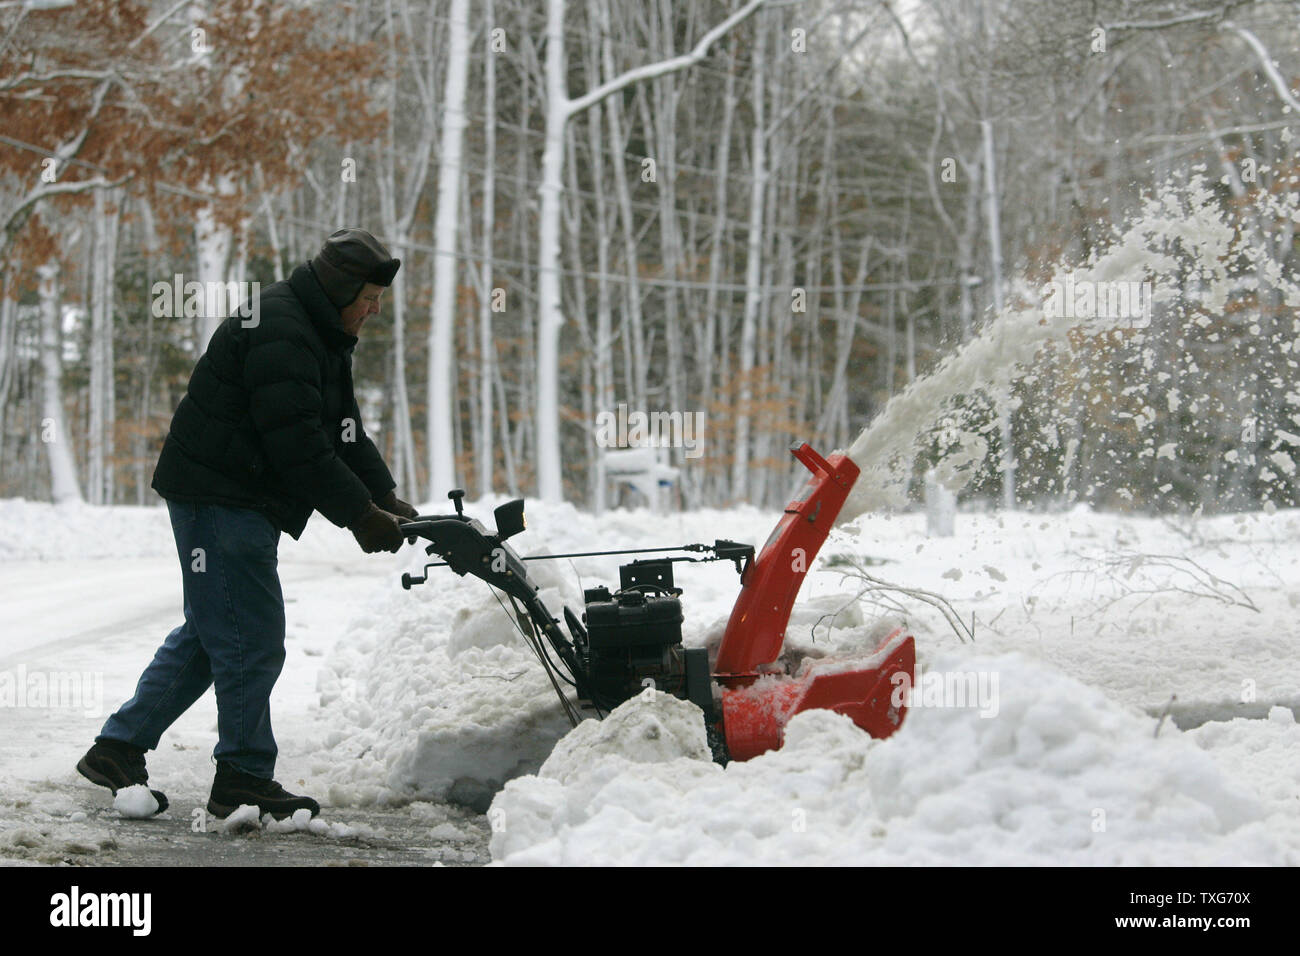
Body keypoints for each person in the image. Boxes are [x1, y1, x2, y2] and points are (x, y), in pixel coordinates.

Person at [76, 228, 419, 820]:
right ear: (340, 289)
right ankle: (242, 775)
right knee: (251, 638)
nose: (375, 309)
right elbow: (297, 444)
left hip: (231, 492)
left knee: (216, 634)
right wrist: (360, 516)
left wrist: (386, 495)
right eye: (368, 298)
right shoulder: (283, 329)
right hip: (220, 494)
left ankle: (117, 748)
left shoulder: (320, 329)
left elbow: (341, 429)